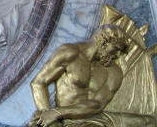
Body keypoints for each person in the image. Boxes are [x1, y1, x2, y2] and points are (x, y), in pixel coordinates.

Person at [29, 25, 157, 127]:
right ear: (104, 41)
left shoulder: (114, 71)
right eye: (117, 48)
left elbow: (97, 104)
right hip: (70, 121)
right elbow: (38, 83)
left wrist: (57, 112)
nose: (118, 55)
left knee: (150, 122)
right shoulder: (70, 53)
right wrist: (48, 116)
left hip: (97, 118)